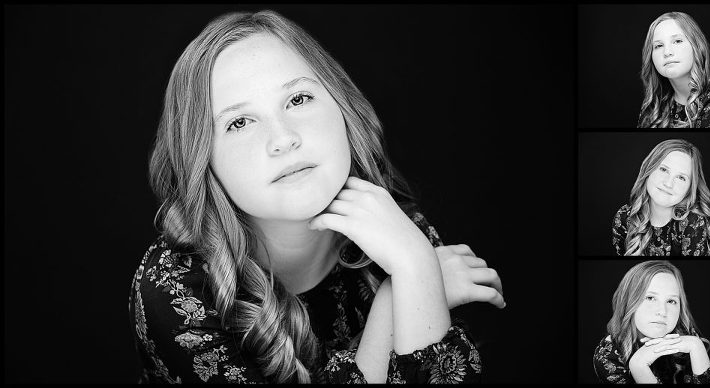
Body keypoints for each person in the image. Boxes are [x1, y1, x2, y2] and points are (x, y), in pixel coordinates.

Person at [127, 10, 504, 384]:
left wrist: (413, 263)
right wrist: (401, 293)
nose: (284, 139)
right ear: (203, 162)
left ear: (344, 109)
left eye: (298, 99)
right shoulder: (176, 288)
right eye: (239, 123)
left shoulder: (391, 228)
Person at [593, 260, 710, 384]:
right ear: (629, 301)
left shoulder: (685, 333)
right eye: (650, 298)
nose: (662, 311)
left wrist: (696, 345)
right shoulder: (609, 356)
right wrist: (639, 366)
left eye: (671, 301)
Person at [612, 139, 710, 256]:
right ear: (648, 170)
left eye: (681, 178)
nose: (668, 184)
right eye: (663, 169)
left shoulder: (692, 222)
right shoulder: (624, 217)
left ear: (690, 188)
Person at [637, 12, 710, 128]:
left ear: (696, 47)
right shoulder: (654, 103)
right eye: (658, 46)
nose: (667, 52)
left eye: (677, 41)